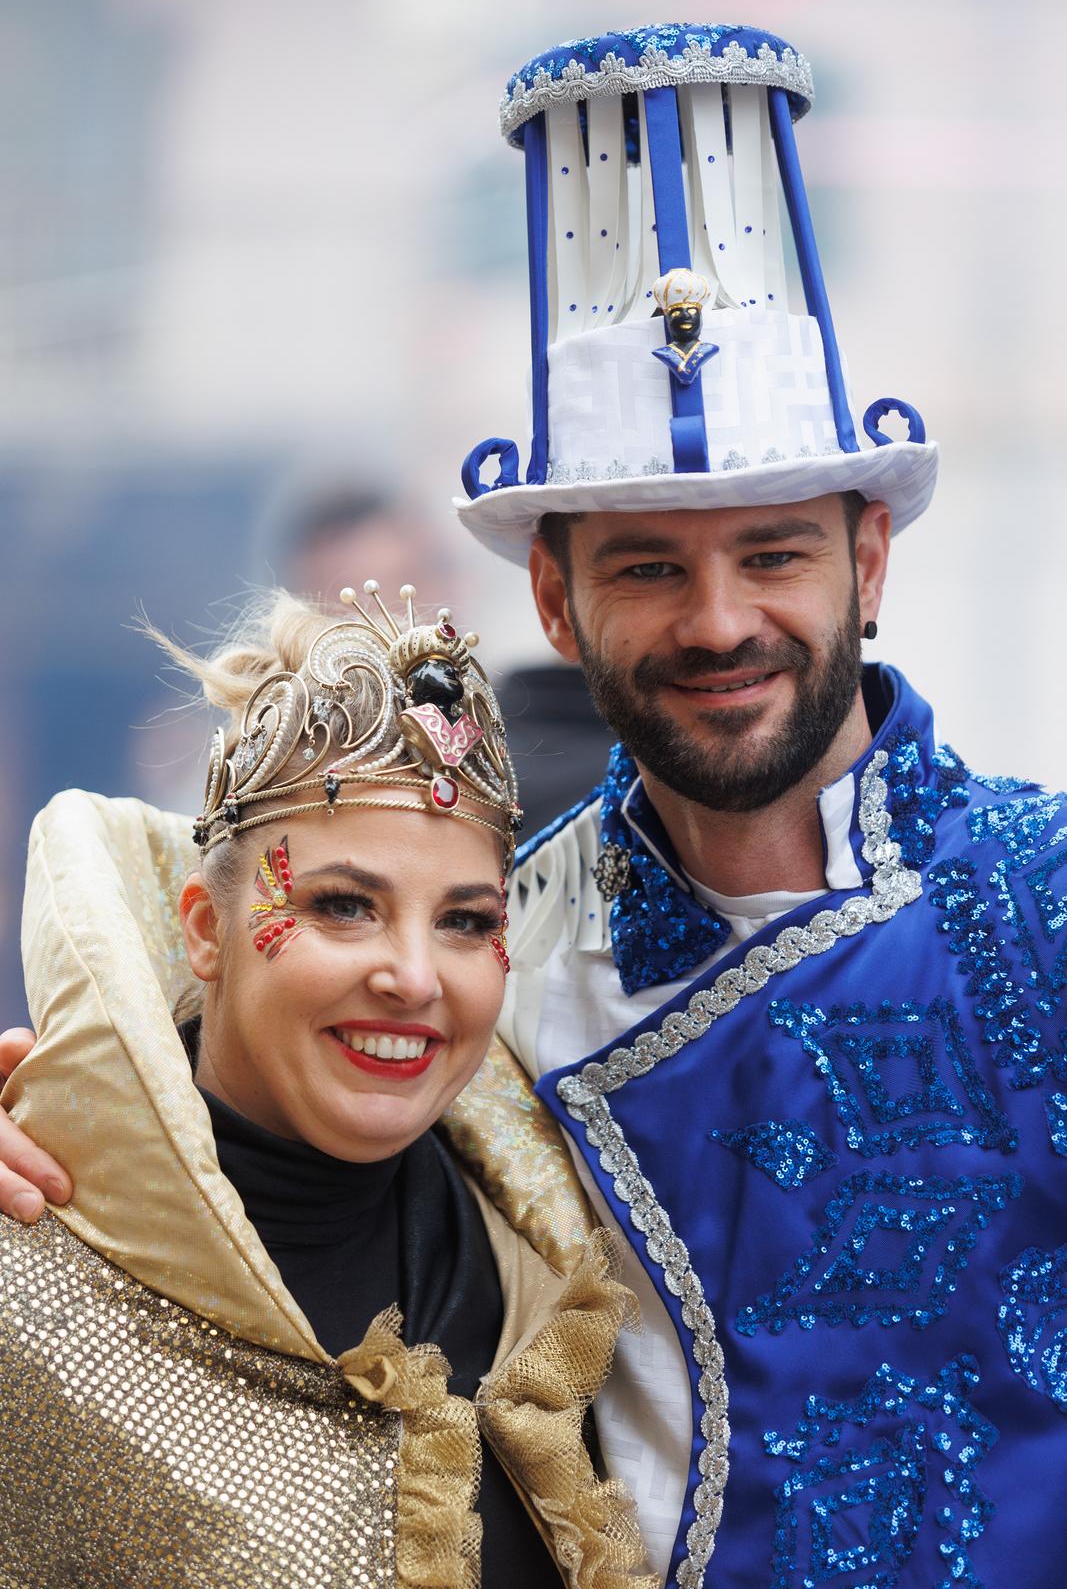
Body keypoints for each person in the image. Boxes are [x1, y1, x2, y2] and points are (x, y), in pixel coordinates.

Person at [5, 17, 1065, 1588]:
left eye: (771, 553)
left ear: (867, 561)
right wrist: (48, 1131)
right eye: (645, 568)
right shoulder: (493, 963)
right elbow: (219, 1139)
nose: (716, 621)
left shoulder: (1040, 904)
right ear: (557, 606)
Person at [0, 580, 654, 1587]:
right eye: (345, 905)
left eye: (466, 921)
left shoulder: (568, 1243)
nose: (414, 977)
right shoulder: (32, 1267)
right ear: (205, 930)